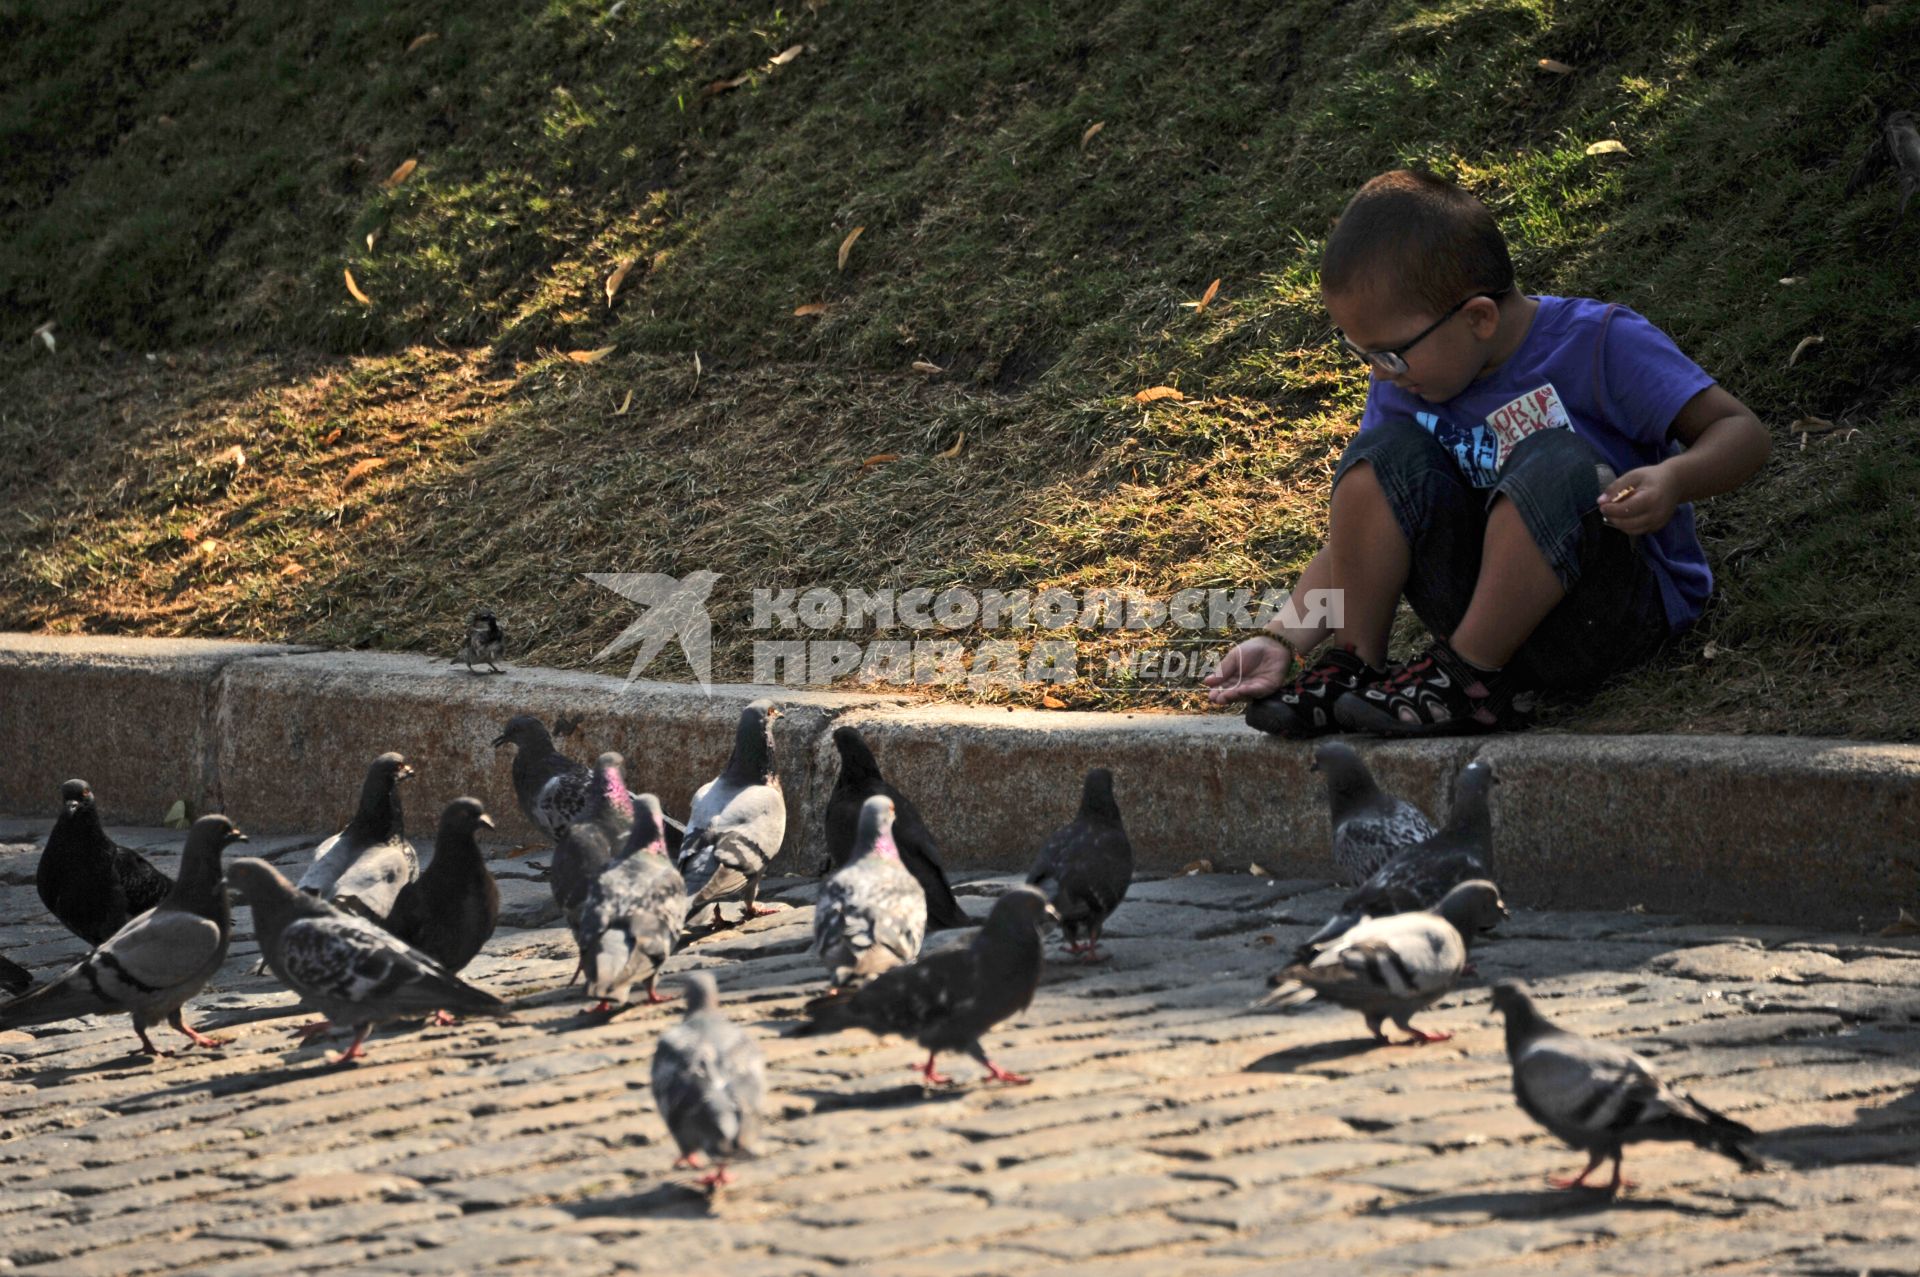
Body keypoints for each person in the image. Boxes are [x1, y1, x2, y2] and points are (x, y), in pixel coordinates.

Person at [1204, 169, 1771, 737]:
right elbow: (1361, 536)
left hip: (1609, 615)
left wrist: (1674, 478)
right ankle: (1357, 666)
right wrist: (1282, 636)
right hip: (1486, 625)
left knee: (1554, 459)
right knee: (1379, 459)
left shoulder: (1600, 343)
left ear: (1477, 317)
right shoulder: (1409, 384)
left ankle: (1468, 679)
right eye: (1364, 354)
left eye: (1391, 355)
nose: (1380, 373)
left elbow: (1740, 431)